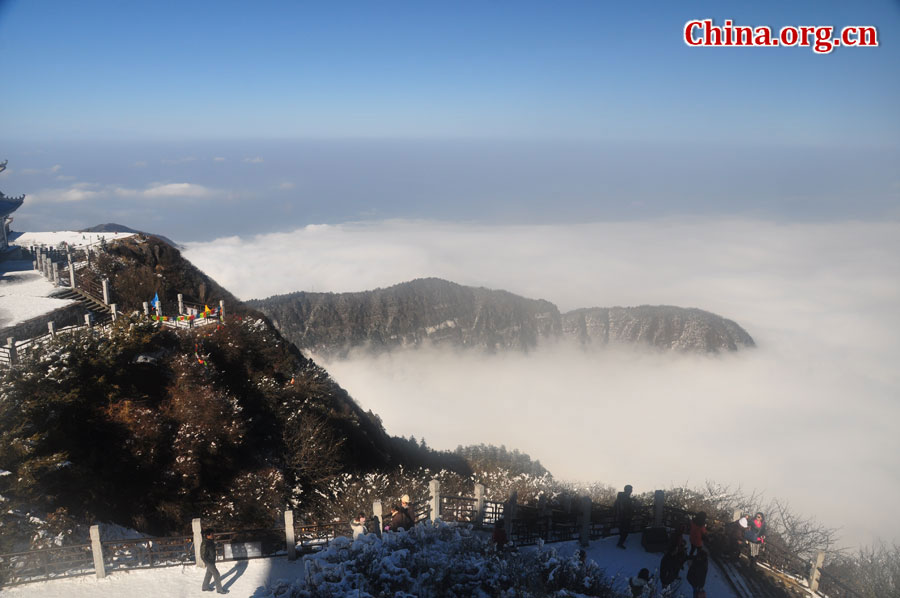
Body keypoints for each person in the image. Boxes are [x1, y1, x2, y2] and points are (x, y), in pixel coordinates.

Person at [200, 529, 227, 594]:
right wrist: (209, 562)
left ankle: (205, 587)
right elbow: (203, 555)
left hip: (212, 561)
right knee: (216, 574)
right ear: (207, 535)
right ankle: (219, 590)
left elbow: (211, 550)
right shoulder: (205, 543)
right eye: (212, 534)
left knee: (209, 573)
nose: (213, 535)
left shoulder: (210, 541)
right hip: (209, 561)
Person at [614, 484, 634, 549]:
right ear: (627, 490)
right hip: (625, 517)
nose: (631, 491)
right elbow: (628, 508)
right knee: (625, 530)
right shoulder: (626, 498)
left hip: (621, 516)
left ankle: (621, 542)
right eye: (630, 490)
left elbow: (615, 506)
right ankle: (620, 543)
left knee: (623, 530)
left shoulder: (620, 497)